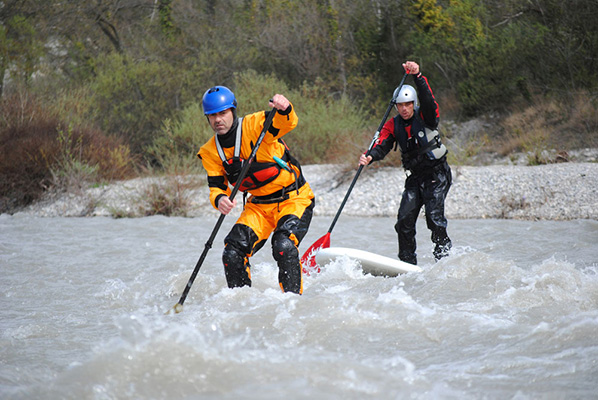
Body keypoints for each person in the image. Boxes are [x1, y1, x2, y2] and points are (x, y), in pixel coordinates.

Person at [197, 86, 315, 294]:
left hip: (293, 199)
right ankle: (244, 304)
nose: (218, 120)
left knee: (283, 245)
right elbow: (216, 187)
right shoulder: (210, 151)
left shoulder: (256, 124)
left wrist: (285, 108)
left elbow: (286, 122)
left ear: (233, 111)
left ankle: (292, 304)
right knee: (232, 252)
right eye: (212, 115)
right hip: (258, 207)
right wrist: (220, 199)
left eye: (223, 113)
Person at [358, 61, 452, 265]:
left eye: (407, 104)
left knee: (434, 219)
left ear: (413, 104)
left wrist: (417, 75)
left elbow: (428, 99)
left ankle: (444, 261)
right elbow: (381, 145)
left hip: (437, 174)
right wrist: (370, 156)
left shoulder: (425, 116)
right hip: (415, 179)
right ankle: (407, 264)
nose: (404, 109)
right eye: (400, 105)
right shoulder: (393, 124)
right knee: (404, 222)